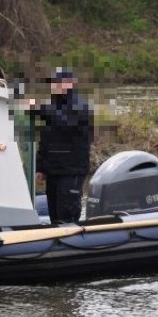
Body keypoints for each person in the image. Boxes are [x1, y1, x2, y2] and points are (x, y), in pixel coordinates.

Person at [28, 68, 92, 224]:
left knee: (67, 216)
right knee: (54, 217)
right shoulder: (52, 106)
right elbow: (46, 140)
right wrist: (41, 167)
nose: (54, 86)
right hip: (53, 172)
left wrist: (38, 109)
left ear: (71, 83)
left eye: (58, 82)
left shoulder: (80, 105)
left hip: (72, 172)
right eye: (53, 83)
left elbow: (66, 123)